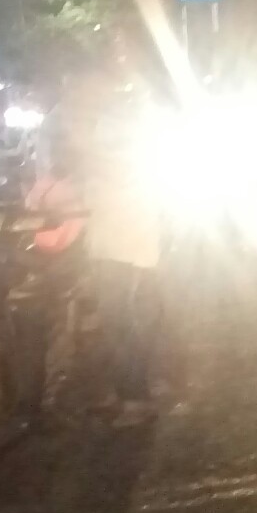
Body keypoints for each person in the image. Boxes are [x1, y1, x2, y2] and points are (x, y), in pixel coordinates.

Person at [84, 103, 163, 428]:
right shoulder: (108, 172)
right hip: (110, 253)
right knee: (115, 326)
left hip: (125, 256)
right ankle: (122, 395)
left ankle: (136, 400)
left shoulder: (133, 174)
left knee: (122, 326)